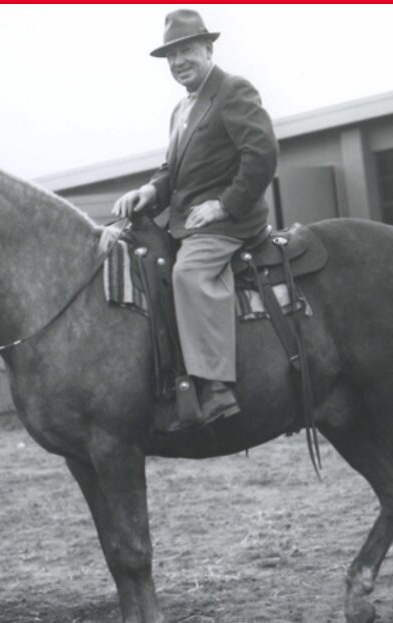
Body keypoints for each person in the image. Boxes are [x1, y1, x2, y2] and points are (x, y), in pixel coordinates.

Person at [112, 8, 279, 429]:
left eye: (185, 50)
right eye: (171, 56)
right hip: (189, 221)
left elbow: (261, 155)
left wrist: (224, 205)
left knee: (189, 274)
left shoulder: (233, 91)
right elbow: (173, 171)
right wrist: (149, 191)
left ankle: (215, 386)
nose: (178, 62)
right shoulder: (181, 110)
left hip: (229, 222)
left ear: (208, 47)